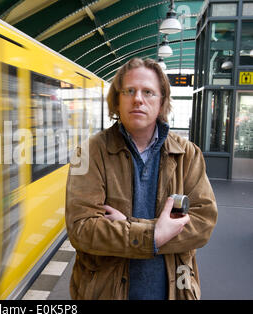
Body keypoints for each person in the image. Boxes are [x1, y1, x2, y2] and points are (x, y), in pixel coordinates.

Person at [65, 57, 218, 300]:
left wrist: (129, 224)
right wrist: (154, 235)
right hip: (106, 291)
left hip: (173, 290)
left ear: (162, 102)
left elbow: (203, 224)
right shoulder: (90, 152)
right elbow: (82, 229)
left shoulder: (187, 154)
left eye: (148, 92)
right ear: (117, 99)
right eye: (129, 91)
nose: (138, 99)